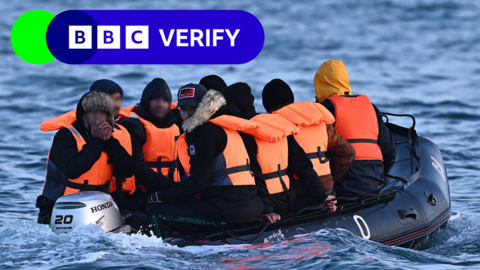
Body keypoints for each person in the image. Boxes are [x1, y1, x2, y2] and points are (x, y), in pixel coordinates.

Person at [146, 84, 264, 237]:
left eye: (192, 109)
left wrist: (163, 196)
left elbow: (199, 182)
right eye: (183, 109)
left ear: (203, 107)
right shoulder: (226, 125)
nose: (187, 114)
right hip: (250, 207)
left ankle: (164, 254)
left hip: (227, 213)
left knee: (155, 210)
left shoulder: (203, 133)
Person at [221, 83, 337, 221]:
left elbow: (255, 176)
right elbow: (302, 164)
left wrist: (267, 210)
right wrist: (321, 196)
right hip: (289, 199)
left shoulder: (243, 133)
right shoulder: (278, 124)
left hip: (268, 204)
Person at [36, 92, 136, 224]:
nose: (97, 117)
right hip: (59, 210)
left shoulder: (108, 139)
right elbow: (73, 170)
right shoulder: (66, 136)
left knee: (142, 222)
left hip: (98, 209)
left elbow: (127, 170)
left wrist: (109, 142)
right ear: (83, 115)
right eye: (92, 112)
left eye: (102, 113)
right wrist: (97, 141)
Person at [314, 59, 397, 198]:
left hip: (342, 186)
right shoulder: (370, 106)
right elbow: (389, 150)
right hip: (374, 181)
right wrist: (381, 175)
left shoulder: (325, 109)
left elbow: (314, 154)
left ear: (319, 84)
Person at [118, 78, 183, 200]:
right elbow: (136, 168)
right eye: (156, 99)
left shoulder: (174, 125)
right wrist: (171, 186)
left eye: (165, 100)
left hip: (170, 189)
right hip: (141, 193)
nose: (160, 104)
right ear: (146, 102)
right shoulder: (133, 125)